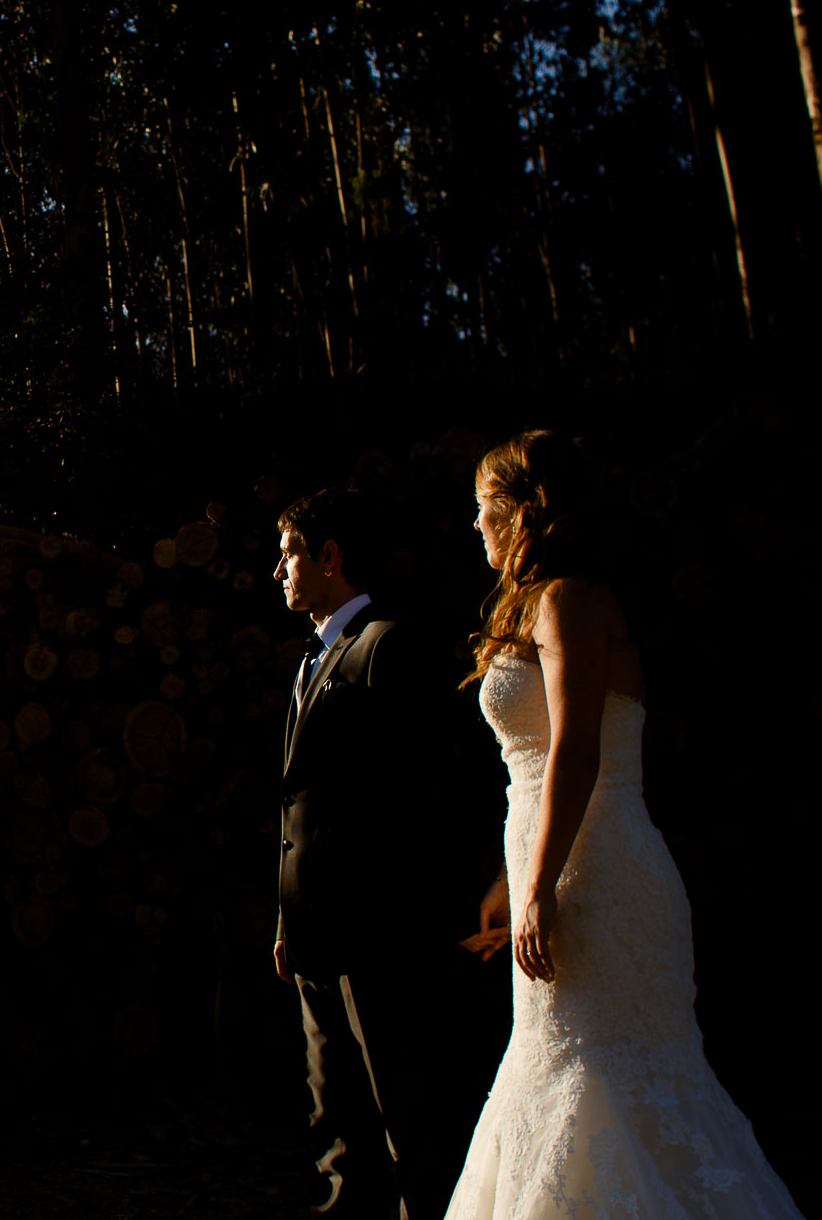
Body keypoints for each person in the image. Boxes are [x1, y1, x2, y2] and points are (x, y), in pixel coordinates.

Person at [445, 431, 805, 1219]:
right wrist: (516, 880)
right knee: (557, 1073)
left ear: (520, 510)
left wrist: (541, 887)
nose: (474, 526)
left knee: (606, 1075)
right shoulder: (534, 603)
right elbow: (534, 774)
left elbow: (577, 754)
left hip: (600, 878)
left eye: (482, 510)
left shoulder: (572, 600)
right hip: (558, 861)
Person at [273, 488, 495, 1219]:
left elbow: (425, 797)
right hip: (313, 937)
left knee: (408, 1122)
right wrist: (288, 919)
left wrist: (408, 919)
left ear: (329, 556)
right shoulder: (307, 664)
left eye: (289, 554)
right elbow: (300, 808)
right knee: (334, 1126)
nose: (279, 571)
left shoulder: (386, 648)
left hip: (379, 939)